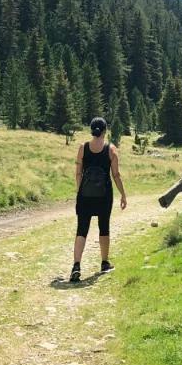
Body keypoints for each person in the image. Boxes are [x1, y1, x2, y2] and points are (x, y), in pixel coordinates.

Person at [69, 117, 127, 283]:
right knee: (104, 227)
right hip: (104, 195)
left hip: (85, 195)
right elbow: (116, 175)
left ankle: (76, 265)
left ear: (91, 130)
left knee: (82, 229)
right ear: (105, 131)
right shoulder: (111, 149)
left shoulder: (83, 148)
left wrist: (80, 190)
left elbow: (78, 173)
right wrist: (123, 194)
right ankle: (104, 262)